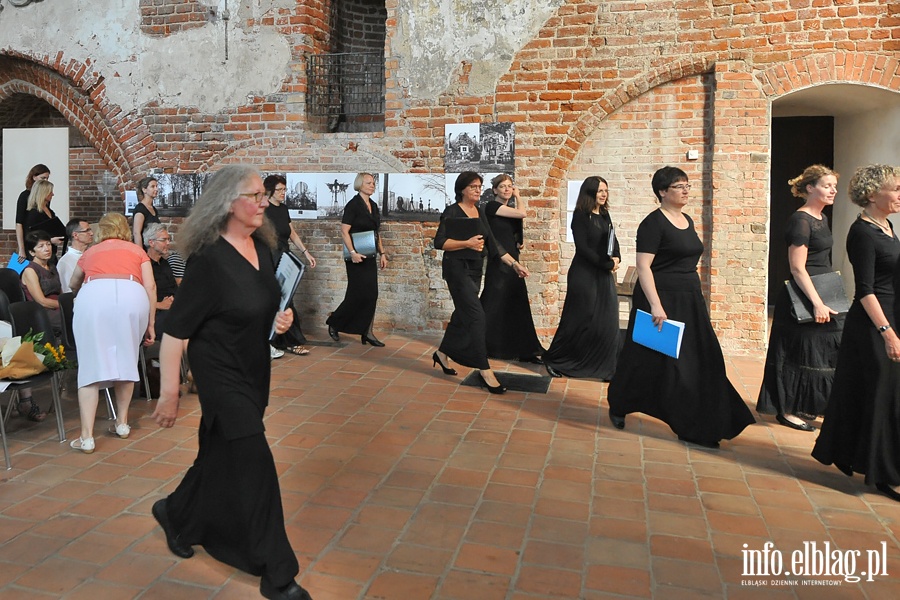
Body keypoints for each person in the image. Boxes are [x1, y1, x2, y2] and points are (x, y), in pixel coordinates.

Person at [150, 165, 312, 600]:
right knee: (255, 462)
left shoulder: (261, 247)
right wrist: (169, 394)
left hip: (253, 370)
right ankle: (278, 574)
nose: (263, 203)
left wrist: (280, 321)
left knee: (221, 456)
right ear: (227, 203)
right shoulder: (207, 260)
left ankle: (175, 512)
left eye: (263, 195)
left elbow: (259, 309)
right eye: (255, 195)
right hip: (220, 376)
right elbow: (175, 333)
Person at [607, 166, 755, 448]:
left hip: (688, 298)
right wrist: (656, 306)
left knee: (701, 357)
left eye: (687, 185)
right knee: (648, 358)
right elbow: (643, 266)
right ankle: (621, 402)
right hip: (661, 299)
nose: (686, 190)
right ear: (662, 191)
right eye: (679, 186)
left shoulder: (686, 219)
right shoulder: (652, 223)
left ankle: (702, 420)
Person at [813, 165, 900, 502]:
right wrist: (888, 333)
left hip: (891, 317)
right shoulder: (862, 232)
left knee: (884, 396)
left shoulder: (887, 227)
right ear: (872, 194)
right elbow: (864, 290)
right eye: (894, 189)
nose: (898, 195)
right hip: (873, 326)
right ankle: (884, 475)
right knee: (882, 397)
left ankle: (867, 460)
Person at [756, 166, 843, 431]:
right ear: (809, 188)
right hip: (804, 295)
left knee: (823, 351)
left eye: (834, 186)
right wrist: (816, 302)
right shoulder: (801, 220)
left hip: (824, 289)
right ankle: (787, 410)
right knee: (797, 353)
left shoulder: (822, 218)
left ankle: (808, 404)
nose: (833, 191)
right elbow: (797, 267)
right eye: (827, 186)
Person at [432, 172, 530, 394]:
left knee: (462, 314)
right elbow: (439, 242)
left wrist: (514, 264)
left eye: (479, 186)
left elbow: (493, 244)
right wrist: (466, 243)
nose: (478, 190)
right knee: (477, 316)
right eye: (473, 187)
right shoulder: (452, 211)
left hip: (475, 271)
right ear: (462, 190)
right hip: (457, 271)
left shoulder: (480, 211)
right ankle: (484, 369)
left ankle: (442, 353)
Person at [68, 213, 156, 454]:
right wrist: (151, 324)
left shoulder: (91, 252)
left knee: (90, 365)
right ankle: (122, 423)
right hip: (132, 294)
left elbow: (73, 282)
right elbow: (150, 286)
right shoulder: (137, 251)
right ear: (124, 229)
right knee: (126, 360)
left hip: (94, 295)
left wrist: (82, 285)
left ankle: (86, 437)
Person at [543, 176, 621, 380]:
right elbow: (584, 249)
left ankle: (605, 367)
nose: (604, 194)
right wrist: (608, 264)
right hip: (584, 275)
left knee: (607, 320)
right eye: (599, 191)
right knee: (578, 319)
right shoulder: (580, 216)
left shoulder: (604, 214)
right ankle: (555, 360)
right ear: (589, 193)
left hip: (603, 275)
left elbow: (613, 240)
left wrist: (617, 257)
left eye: (605, 190)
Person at [479, 174, 545, 363]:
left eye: (510, 186)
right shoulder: (492, 206)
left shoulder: (508, 209)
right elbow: (522, 213)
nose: (507, 189)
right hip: (499, 259)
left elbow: (516, 233)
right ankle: (480, 345)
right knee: (492, 300)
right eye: (503, 187)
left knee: (516, 302)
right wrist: (519, 196)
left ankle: (525, 350)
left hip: (513, 257)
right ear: (494, 190)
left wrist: (519, 243)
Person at [326, 173, 388, 346]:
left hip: (370, 256)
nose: (372, 185)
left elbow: (376, 233)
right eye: (368, 183)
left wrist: (382, 253)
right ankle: (334, 322)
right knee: (356, 295)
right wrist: (352, 252)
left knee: (372, 295)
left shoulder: (374, 206)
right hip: (355, 258)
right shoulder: (353, 205)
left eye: (374, 183)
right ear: (360, 185)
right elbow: (344, 231)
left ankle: (367, 332)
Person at [264, 174, 316, 357]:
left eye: (285, 190)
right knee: (280, 300)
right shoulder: (262, 209)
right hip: (269, 259)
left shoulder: (283, 209)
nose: (283, 193)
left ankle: (283, 341)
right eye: (280, 190)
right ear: (269, 191)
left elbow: (291, 233)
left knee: (286, 298)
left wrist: (305, 252)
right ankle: (286, 341)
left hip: (284, 257)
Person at [20, 230, 62, 333]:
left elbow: (60, 293)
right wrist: (64, 305)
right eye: (41, 246)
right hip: (43, 311)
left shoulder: (52, 267)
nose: (47, 249)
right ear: (32, 252)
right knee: (71, 319)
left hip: (57, 306)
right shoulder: (30, 270)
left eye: (48, 244)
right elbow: (41, 301)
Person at [143, 223, 178, 334]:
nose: (168, 243)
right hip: (155, 314)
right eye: (163, 240)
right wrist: (160, 305)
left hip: (172, 309)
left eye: (168, 239)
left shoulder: (164, 263)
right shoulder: (144, 265)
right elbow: (136, 298)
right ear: (151, 242)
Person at [15, 163, 51, 261]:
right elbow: (19, 223)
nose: (45, 181)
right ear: (34, 177)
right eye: (43, 178)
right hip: (29, 240)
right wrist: (21, 249)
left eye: (47, 178)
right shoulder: (24, 196)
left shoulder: (45, 198)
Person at [24, 179, 66, 256]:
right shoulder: (34, 213)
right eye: (50, 192)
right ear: (43, 193)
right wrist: (50, 241)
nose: (52, 194)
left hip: (50, 252)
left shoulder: (49, 210)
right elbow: (30, 237)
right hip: (39, 254)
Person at [58, 218, 94, 293]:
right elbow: (68, 290)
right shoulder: (65, 262)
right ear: (75, 235)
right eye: (87, 231)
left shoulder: (93, 254)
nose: (91, 233)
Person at [132, 176, 161, 247]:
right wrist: (141, 254)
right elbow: (136, 233)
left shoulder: (153, 209)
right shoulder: (140, 209)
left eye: (156, 186)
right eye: (152, 186)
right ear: (144, 190)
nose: (156, 189)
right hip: (144, 249)